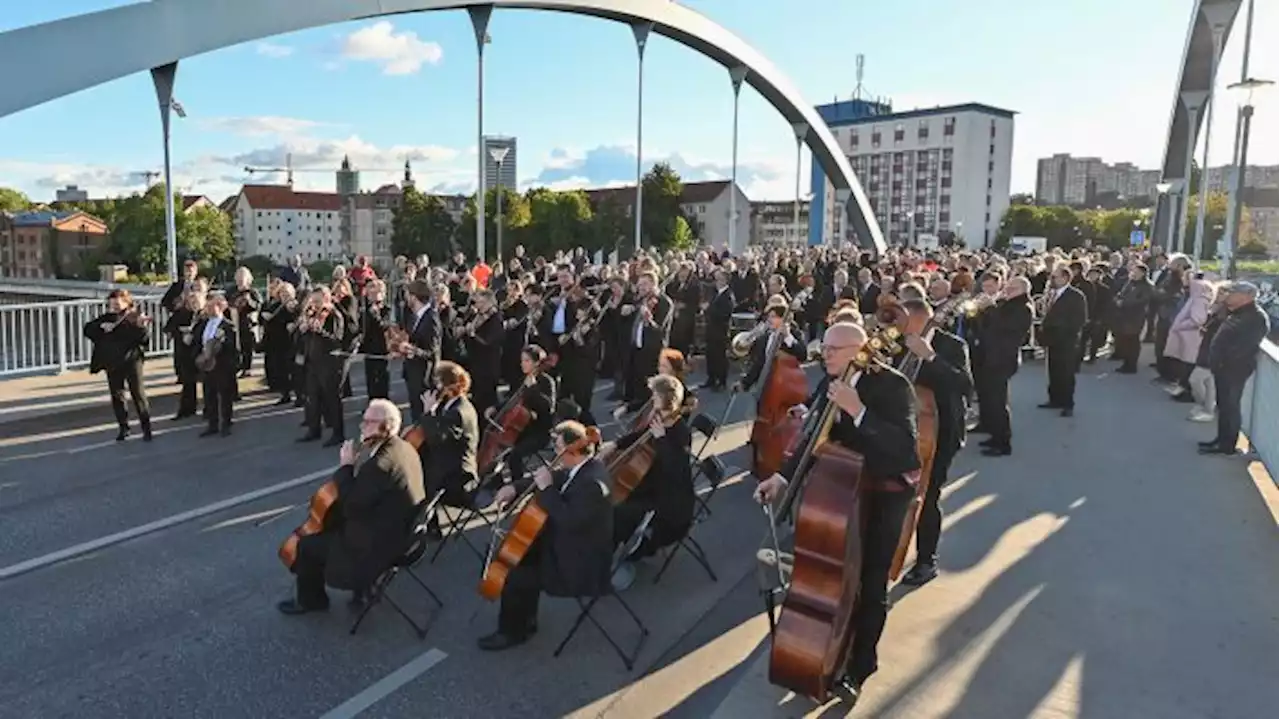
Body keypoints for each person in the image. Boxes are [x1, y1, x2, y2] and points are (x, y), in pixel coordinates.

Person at [754, 322, 920, 702]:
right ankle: (823, 650)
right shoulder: (830, 380)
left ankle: (860, 668)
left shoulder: (893, 386)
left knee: (871, 581)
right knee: (830, 576)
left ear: (860, 349)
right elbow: (811, 434)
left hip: (884, 492)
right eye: (824, 347)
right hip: (845, 489)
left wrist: (858, 410)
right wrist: (781, 477)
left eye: (833, 348)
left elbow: (905, 451)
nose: (824, 354)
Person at [278, 399, 427, 615]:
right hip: (402, 532)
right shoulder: (403, 447)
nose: (362, 426)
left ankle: (312, 601)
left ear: (385, 425)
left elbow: (352, 507)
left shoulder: (380, 464)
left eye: (368, 422)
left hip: (378, 545)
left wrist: (346, 467)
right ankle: (361, 592)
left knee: (308, 545)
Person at [480, 420, 614, 651]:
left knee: (516, 576)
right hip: (567, 544)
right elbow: (554, 477)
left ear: (572, 450)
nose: (555, 454)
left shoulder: (592, 484)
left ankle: (511, 632)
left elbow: (570, 520)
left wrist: (547, 490)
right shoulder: (582, 468)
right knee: (520, 555)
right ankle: (526, 621)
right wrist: (516, 487)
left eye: (558, 449)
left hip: (579, 563)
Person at [896, 298, 973, 587]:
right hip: (905, 430)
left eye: (904, 321)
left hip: (940, 431)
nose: (898, 327)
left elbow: (965, 385)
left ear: (919, 319)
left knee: (928, 495)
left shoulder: (951, 345)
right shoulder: (899, 342)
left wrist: (930, 357)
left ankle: (927, 560)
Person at [603, 375, 694, 561]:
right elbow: (640, 436)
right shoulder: (660, 417)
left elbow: (676, 470)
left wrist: (661, 439)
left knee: (620, 511)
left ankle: (620, 552)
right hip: (650, 483)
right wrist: (615, 444)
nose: (653, 399)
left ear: (668, 400)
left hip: (666, 498)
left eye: (656, 396)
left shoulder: (681, 432)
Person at [1200, 281, 1269, 456]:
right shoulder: (1237, 313)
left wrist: (1224, 362)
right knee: (1223, 405)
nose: (1229, 296)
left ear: (1246, 296)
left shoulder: (1255, 317)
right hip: (1224, 368)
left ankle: (1227, 445)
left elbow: (1244, 346)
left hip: (1234, 369)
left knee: (1230, 405)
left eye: (1233, 293)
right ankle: (1221, 439)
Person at [416, 361, 480, 536]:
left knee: (419, 480)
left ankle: (430, 527)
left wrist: (428, 412)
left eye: (438, 383)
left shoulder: (458, 412)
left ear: (448, 386)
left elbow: (438, 438)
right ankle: (429, 523)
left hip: (460, 479)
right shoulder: (454, 404)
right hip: (451, 464)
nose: (435, 387)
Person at [84, 289, 154, 442]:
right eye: (112, 304)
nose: (115, 306)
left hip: (132, 361)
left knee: (138, 394)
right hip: (112, 361)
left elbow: (145, 340)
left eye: (118, 303)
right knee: (117, 395)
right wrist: (102, 327)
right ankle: (124, 427)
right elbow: (88, 329)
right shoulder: (106, 318)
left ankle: (146, 427)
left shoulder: (133, 317)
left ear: (126, 302)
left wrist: (141, 326)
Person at [492, 345, 557, 486]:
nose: (522, 363)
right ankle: (496, 479)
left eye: (527, 360)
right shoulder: (521, 379)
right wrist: (495, 408)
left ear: (536, 363)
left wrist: (533, 388)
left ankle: (517, 486)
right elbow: (512, 399)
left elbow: (548, 408)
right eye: (522, 360)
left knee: (515, 454)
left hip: (539, 432)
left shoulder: (547, 382)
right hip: (521, 429)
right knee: (499, 445)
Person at [297, 288, 346, 446]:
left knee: (332, 398)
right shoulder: (313, 314)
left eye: (318, 301)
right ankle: (314, 429)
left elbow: (337, 340)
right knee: (312, 397)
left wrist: (320, 331)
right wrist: (304, 331)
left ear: (326, 298)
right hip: (313, 362)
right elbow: (306, 339)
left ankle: (338, 433)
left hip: (329, 363)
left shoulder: (334, 315)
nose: (315, 305)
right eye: (313, 301)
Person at [1038, 266, 1088, 417]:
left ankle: (1067, 403)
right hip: (1052, 339)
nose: (1051, 280)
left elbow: (1080, 319)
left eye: (1055, 277)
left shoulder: (1076, 295)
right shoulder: (1051, 294)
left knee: (1066, 373)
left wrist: (1062, 329)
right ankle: (1055, 399)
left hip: (1067, 341)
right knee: (1053, 371)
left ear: (1065, 278)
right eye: (1052, 277)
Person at [192, 293, 240, 438]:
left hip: (222, 364)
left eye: (211, 305)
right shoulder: (203, 323)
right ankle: (212, 424)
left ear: (219, 307)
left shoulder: (228, 326)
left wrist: (222, 341)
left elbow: (233, 346)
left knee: (225, 396)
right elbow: (197, 341)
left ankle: (226, 424)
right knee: (209, 395)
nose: (207, 308)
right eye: (207, 305)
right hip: (207, 364)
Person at [399, 280, 442, 423]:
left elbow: (432, 351)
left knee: (424, 417)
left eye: (408, 295)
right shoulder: (415, 316)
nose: (406, 299)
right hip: (413, 373)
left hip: (425, 377)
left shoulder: (431, 318)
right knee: (416, 415)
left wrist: (413, 350)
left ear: (414, 297)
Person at [702, 269, 735, 390]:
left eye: (719, 279)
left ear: (725, 280)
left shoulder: (728, 295)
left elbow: (725, 314)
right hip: (711, 329)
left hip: (720, 331)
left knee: (720, 356)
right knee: (710, 355)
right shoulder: (715, 293)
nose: (716, 281)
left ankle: (721, 381)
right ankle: (711, 378)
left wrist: (708, 309)